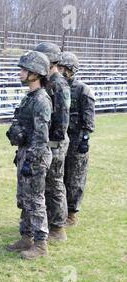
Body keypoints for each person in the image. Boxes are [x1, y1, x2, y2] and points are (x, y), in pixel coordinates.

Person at [6, 51, 52, 260]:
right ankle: (26, 237)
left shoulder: (41, 100)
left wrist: (31, 161)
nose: (20, 72)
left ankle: (41, 244)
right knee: (24, 198)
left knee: (35, 200)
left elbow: (41, 137)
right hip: (26, 152)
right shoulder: (30, 97)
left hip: (35, 156)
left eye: (24, 69)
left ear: (36, 73)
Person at [35, 42, 71, 242]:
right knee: (47, 183)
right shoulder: (48, 81)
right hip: (48, 139)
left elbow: (62, 117)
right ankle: (48, 222)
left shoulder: (58, 83)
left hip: (55, 141)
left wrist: (53, 142)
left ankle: (58, 228)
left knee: (55, 183)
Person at [58, 52, 95, 226]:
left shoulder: (83, 90)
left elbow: (88, 120)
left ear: (71, 69)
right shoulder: (56, 87)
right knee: (59, 176)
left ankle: (71, 214)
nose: (59, 70)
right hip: (60, 138)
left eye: (62, 67)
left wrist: (85, 140)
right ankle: (59, 212)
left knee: (75, 177)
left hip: (76, 140)